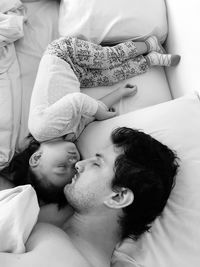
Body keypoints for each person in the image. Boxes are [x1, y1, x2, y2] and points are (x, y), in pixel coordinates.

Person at [0, 127, 179, 267]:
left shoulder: (62, 258)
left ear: (118, 197)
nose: (79, 164)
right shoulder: (58, 240)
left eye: (97, 163)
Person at [28, 35, 180, 142]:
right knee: (110, 77)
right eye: (70, 167)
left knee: (107, 58)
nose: (72, 161)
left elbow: (77, 100)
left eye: (61, 166)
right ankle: (150, 59)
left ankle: (149, 44)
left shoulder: (42, 130)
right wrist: (119, 93)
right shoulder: (72, 136)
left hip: (62, 54)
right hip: (76, 75)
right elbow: (90, 110)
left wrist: (100, 114)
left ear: (37, 158)